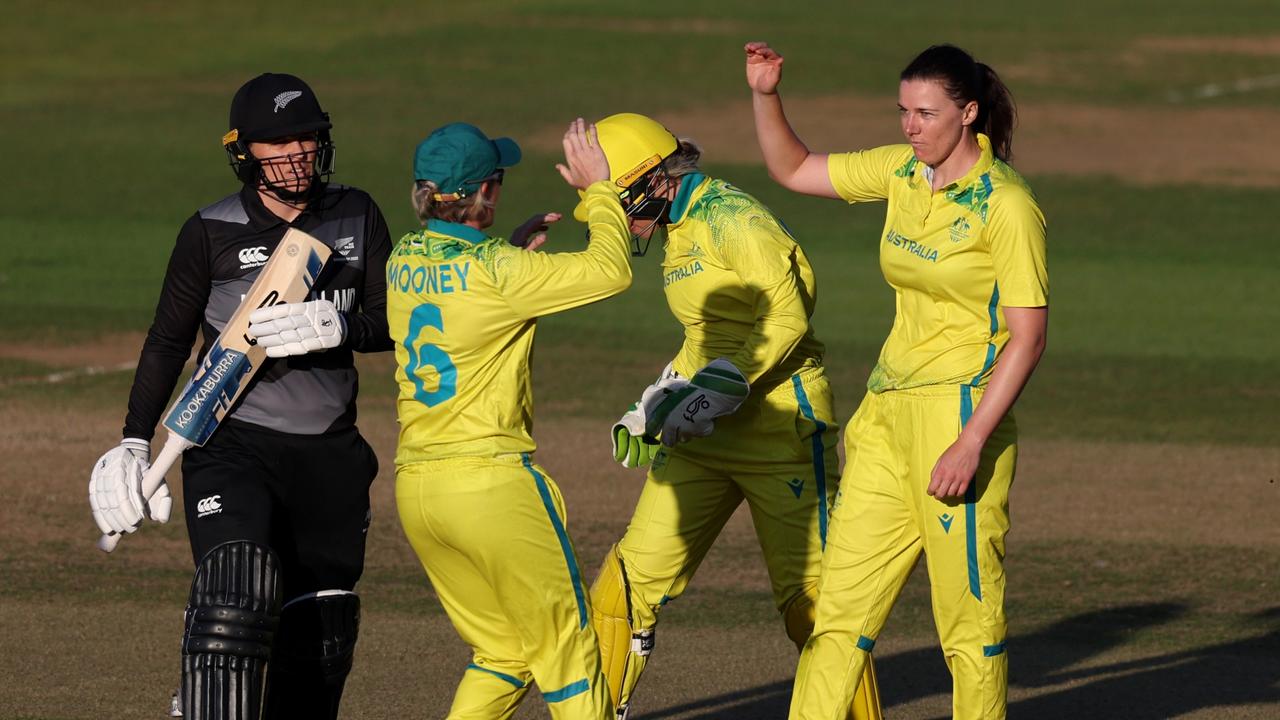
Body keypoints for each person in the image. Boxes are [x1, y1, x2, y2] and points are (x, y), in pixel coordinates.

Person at [744, 41, 1049, 720]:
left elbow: (1028, 339)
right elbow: (793, 168)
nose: (910, 125)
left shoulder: (1007, 206)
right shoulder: (902, 171)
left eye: (925, 112)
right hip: (883, 420)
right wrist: (766, 94)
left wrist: (971, 443)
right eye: (903, 111)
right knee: (838, 618)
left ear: (968, 113)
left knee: (968, 631)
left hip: (960, 423)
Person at [87, 73, 392, 720]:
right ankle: (202, 696)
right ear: (244, 153)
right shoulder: (211, 231)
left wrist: (339, 327)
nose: (296, 153)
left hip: (330, 453)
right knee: (235, 592)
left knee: (322, 638)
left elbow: (391, 323)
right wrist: (135, 441)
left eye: (305, 138)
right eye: (277, 143)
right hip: (232, 443)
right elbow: (168, 341)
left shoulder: (356, 214)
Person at [582, 112, 882, 720]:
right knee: (624, 586)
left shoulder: (733, 218)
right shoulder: (677, 229)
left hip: (781, 427)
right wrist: (660, 396)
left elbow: (787, 318)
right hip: (705, 430)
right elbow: (705, 332)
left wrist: (722, 387)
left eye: (616, 204)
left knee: (816, 608)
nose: (617, 221)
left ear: (652, 181)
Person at [389, 119, 631, 719]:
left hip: (419, 492)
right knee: (568, 652)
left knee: (502, 652)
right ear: (486, 194)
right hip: (491, 488)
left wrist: (512, 253)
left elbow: (460, 290)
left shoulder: (401, 258)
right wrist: (598, 192)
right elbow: (612, 270)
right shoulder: (501, 273)